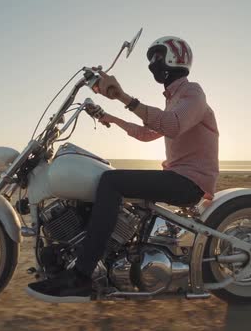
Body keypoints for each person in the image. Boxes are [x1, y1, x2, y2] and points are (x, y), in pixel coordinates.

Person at [27, 36, 219, 302]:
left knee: (111, 181)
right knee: (104, 179)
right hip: (176, 176)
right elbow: (145, 133)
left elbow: (171, 126)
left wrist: (123, 97)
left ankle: (81, 276)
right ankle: (99, 260)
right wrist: (109, 117)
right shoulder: (173, 100)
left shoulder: (192, 93)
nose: (153, 64)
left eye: (157, 57)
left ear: (176, 57)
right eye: (151, 59)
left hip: (189, 181)